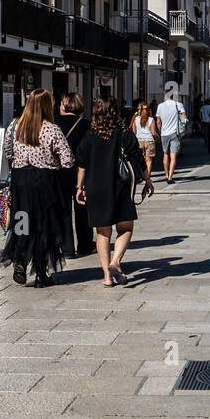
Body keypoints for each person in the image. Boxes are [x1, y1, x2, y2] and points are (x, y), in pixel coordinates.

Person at [0, 89, 72, 287]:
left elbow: (7, 151)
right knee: (44, 226)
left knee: (22, 220)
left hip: (21, 181)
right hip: (45, 181)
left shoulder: (15, 126)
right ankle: (41, 272)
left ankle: (20, 258)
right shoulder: (51, 129)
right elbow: (67, 159)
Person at [76, 97, 151, 287]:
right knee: (125, 227)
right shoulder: (124, 134)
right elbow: (139, 159)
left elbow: (82, 165)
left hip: (96, 187)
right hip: (120, 187)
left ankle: (107, 278)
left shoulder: (89, 135)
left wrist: (79, 188)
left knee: (102, 232)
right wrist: (148, 181)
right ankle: (115, 261)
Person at [57, 93, 94, 259]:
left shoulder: (53, 124)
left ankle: (67, 248)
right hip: (82, 171)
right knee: (83, 209)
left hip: (59, 172)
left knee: (63, 210)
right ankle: (85, 244)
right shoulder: (87, 125)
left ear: (64, 106)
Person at [155, 95, 187, 184]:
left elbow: (158, 121)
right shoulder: (178, 105)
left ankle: (166, 175)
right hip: (175, 133)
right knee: (173, 156)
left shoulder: (160, 106)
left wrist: (160, 131)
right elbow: (184, 118)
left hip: (164, 134)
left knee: (165, 154)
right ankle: (170, 177)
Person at [132, 101, 159, 179]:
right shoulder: (151, 120)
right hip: (149, 141)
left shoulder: (136, 119)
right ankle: (147, 178)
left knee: (141, 160)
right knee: (149, 160)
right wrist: (158, 137)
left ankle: (141, 175)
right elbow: (153, 133)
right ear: (149, 111)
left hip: (139, 141)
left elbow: (134, 132)